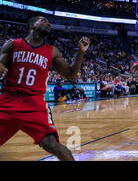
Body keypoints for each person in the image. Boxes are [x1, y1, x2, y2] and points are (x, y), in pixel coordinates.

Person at [0, 16, 90, 161]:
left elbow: (71, 75)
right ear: (32, 25)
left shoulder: (52, 51)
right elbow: (0, 64)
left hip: (34, 104)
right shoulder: (12, 44)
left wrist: (81, 52)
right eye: (43, 21)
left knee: (52, 145)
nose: (48, 23)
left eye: (49, 22)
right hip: (8, 101)